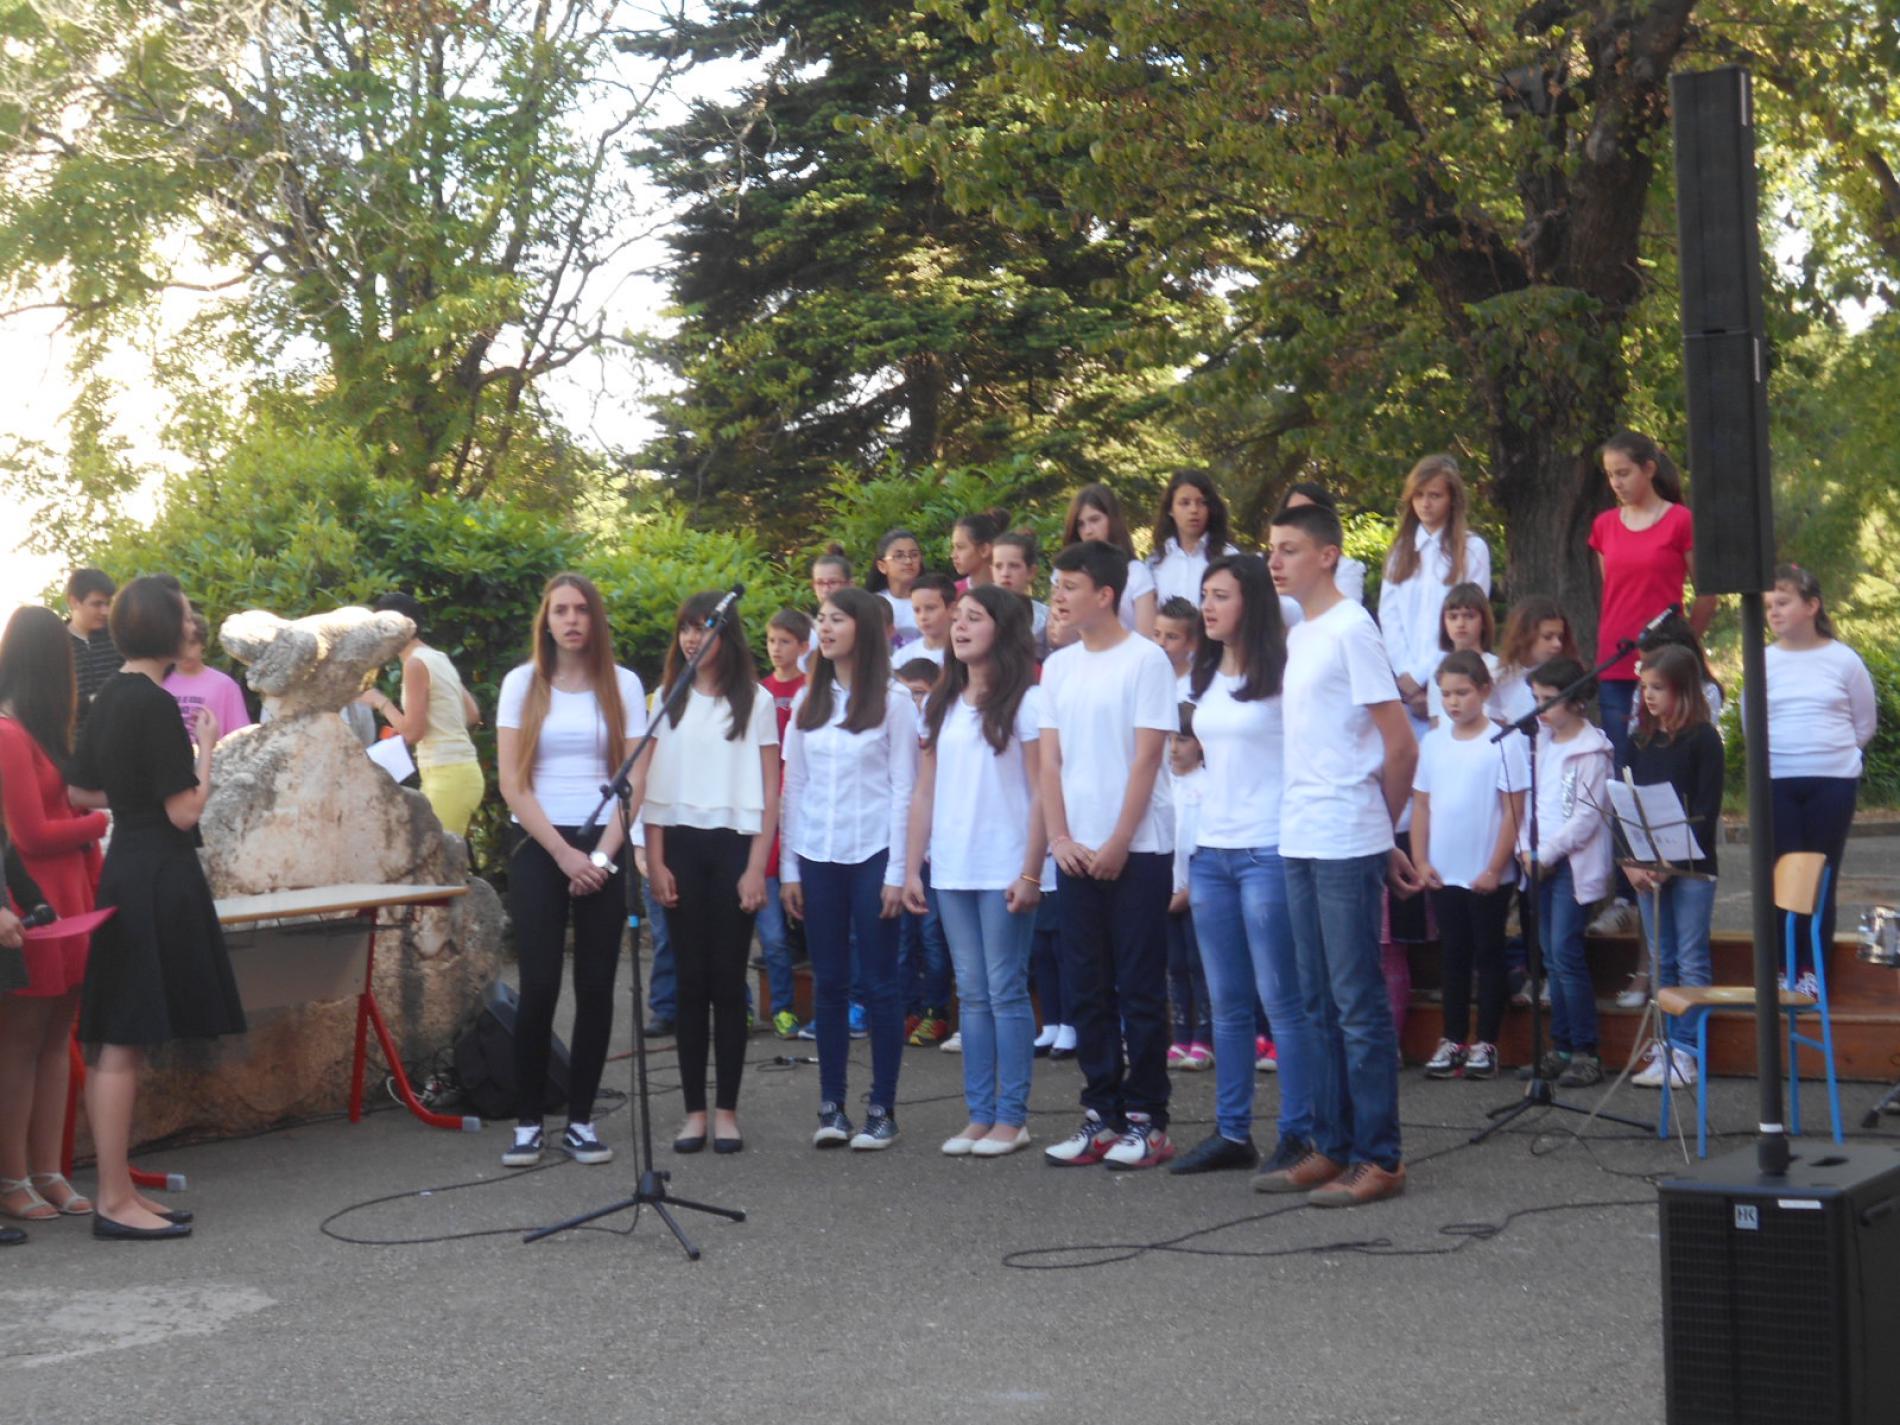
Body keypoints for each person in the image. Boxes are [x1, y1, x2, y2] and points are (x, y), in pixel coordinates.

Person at [69, 576, 247, 1239]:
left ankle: (118, 1194)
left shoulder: (111, 695)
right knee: (123, 1041)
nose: (191, 623)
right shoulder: (155, 702)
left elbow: (81, 789)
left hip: (126, 867)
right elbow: (186, 811)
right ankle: (114, 1201)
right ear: (164, 628)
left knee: (121, 1040)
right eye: (184, 615)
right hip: (157, 872)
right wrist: (207, 748)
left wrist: (133, 798)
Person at [1262, 502, 1421, 1207]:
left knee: (1357, 1003)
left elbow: (1401, 744)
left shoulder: (1354, 628)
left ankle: (1380, 1156)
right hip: (1299, 830)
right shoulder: (1302, 633)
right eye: (1272, 549)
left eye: (1290, 549)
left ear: (1328, 555)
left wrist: (1378, 831)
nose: (1276, 561)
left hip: (1345, 834)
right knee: (1316, 1001)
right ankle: (1331, 1144)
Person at [1171, 553, 1316, 1179]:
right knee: (1226, 1003)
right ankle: (1232, 1132)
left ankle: (1300, 1132)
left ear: (1251, 602)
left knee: (1281, 1000)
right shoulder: (1202, 675)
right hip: (1212, 850)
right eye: (1205, 594)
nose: (1207, 606)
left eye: (1221, 595)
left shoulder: (1286, 672)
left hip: (1268, 848)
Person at [494, 574, 642, 1169]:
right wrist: (562, 854)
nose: (572, 620)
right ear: (547, 620)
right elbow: (512, 782)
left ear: (595, 618)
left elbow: (637, 779)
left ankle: (581, 1120)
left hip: (603, 843)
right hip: (540, 844)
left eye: (582, 609)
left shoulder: (623, 684)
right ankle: (529, 1121)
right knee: (539, 985)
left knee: (597, 987)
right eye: (561, 610)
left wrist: (601, 857)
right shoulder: (521, 683)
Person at [1038, 540, 1178, 1170]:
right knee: (1086, 987)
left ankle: (1148, 1119)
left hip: (1137, 849)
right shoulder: (1059, 667)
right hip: (1075, 850)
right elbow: (1050, 761)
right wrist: (1060, 838)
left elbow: (1147, 758)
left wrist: (1120, 839)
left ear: (1105, 594)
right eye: (1056, 586)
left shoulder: (1146, 660)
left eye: (1070, 586)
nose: (1058, 597)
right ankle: (1102, 1114)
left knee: (1140, 986)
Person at [907, 585, 1048, 1157]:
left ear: (1003, 629)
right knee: (970, 993)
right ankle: (979, 1115)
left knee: (1005, 989)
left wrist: (1032, 872)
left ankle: (1012, 1118)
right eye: (958, 618)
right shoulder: (939, 702)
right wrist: (912, 868)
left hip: (1006, 865)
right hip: (953, 866)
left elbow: (1042, 792)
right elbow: (924, 791)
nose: (960, 627)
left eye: (975, 618)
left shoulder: (1027, 703)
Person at [641, 592, 781, 1154]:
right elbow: (650, 789)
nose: (693, 638)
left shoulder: (757, 701)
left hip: (733, 848)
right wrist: (654, 861)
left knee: (727, 983)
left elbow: (770, 790)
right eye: (686, 628)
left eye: (705, 627)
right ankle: (693, 1112)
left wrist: (756, 867)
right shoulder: (664, 699)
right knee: (689, 984)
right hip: (678, 846)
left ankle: (727, 1110)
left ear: (728, 634)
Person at [781, 588, 918, 1151]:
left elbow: (905, 788)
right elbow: (795, 787)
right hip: (817, 854)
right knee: (830, 982)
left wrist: (899, 872)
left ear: (863, 627)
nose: (825, 627)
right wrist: (789, 868)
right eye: (822, 618)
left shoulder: (895, 700)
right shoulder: (807, 701)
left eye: (837, 618)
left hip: (874, 852)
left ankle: (882, 1107)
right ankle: (831, 1106)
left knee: (881, 983)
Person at [0, 607, 107, 1222]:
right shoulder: (10, 734)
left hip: (71, 901)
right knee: (20, 1044)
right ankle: (13, 1176)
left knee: (54, 1040)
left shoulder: (41, 734)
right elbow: (31, 835)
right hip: (33, 906)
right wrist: (98, 822)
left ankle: (49, 1172)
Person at [1588, 431, 1717, 935]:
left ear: (1648, 468)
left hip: (1666, 668)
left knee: (1667, 771)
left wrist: (1682, 648)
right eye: (1610, 475)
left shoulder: (1680, 520)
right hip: (1617, 666)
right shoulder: (1604, 526)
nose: (1616, 483)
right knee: (1624, 774)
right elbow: (1614, 590)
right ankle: (1627, 890)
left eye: (1623, 472)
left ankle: (1674, 874)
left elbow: (1706, 592)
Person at [1760, 564, 1877, 995]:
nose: (1773, 612)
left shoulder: (1843, 659)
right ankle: (1783, 967)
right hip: (1777, 780)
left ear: (1812, 606)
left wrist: (1833, 755)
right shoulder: (1763, 659)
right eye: (1768, 605)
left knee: (1820, 875)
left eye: (1783, 602)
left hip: (1832, 781)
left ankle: (1813, 970)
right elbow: (1753, 722)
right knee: (1783, 875)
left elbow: (1864, 723)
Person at [1413, 652, 1530, 1081]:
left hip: (1486, 873)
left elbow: (1513, 809)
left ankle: (1487, 1042)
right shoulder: (1433, 742)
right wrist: (1421, 859)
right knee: (1454, 955)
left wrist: (1495, 867)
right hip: (1444, 871)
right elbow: (1422, 804)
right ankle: (1453, 1038)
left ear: (1484, 690)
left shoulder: (1504, 741)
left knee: (1489, 953)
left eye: (1462, 693)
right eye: (1445, 694)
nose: (1453, 702)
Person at [1619, 644, 1724, 1091]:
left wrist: (1669, 863)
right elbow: (1624, 805)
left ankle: (1688, 1051)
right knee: (1662, 959)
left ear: (1683, 690)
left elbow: (1705, 810)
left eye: (1658, 687)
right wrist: (1630, 863)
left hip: (1692, 869)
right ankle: (1664, 1045)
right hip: (1646, 869)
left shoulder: (1703, 739)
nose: (1648, 696)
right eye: (1644, 687)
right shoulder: (1638, 741)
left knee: (1691, 958)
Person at [1515, 657, 1615, 1087]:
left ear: (1575, 701)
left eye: (1548, 699)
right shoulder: (1540, 742)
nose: (1539, 708)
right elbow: (1530, 803)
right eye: (1535, 698)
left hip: (1570, 864)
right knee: (1549, 956)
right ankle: (1560, 1046)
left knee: (1566, 953)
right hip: (1538, 861)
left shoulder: (1591, 751)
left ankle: (1586, 1051)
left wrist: (1547, 854)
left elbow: (1586, 817)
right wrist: (1524, 847)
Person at [1377, 454, 1491, 733]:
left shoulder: (1471, 549)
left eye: (1435, 495)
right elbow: (1389, 617)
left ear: (1452, 499)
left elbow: (1470, 620)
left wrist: (1425, 677)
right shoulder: (1399, 552)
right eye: (1418, 495)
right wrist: (1406, 676)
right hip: (1405, 687)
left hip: (1454, 683)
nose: (1425, 504)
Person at [354, 593, 482, 838]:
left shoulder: (415, 664)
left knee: (435, 856)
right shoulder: (437, 657)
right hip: (459, 772)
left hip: (447, 774)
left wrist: (380, 701)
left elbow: (413, 733)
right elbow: (472, 713)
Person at [891, 658, 954, 1046]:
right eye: (907, 693)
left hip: (933, 854)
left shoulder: (941, 733)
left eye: (918, 693)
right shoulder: (895, 730)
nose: (913, 701)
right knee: (902, 939)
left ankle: (936, 1011)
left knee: (932, 937)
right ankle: (908, 1009)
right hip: (901, 853)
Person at [757, 610, 811, 1037]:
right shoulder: (759, 693)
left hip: (801, 811)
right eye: (772, 640)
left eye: (786, 641)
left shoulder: (812, 691)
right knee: (769, 934)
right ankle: (771, 1007)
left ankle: (796, 1007)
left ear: (804, 646)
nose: (776, 649)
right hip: (762, 814)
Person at [1164, 706, 1212, 1073]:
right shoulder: (1161, 784)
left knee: (1200, 965)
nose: (1174, 748)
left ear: (1200, 744)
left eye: (1182, 740)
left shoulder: (1208, 785)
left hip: (1198, 893)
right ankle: (1180, 1035)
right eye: (1169, 739)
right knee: (1175, 966)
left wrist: (1189, 891)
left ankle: (1204, 1038)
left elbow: (1206, 842)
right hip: (1163, 893)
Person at [1057, 484, 1156, 638]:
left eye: (1095, 520)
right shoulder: (1065, 573)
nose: (1088, 531)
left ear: (1112, 520)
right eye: (1081, 524)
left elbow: (1146, 637)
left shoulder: (1136, 573)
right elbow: (1057, 633)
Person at [1149, 469, 1240, 607]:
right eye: (1185, 503)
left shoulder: (1229, 557)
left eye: (1201, 502)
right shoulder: (1156, 561)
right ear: (1170, 510)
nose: (1194, 510)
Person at [163, 609, 254, 741]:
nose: (186, 652)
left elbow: (241, 737)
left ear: (203, 644)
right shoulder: (159, 683)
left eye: (192, 643)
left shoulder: (225, 685)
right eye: (179, 644)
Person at [1424, 582, 1501, 729]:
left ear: (1484, 621)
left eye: (1469, 616)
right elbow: (1435, 721)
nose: (1460, 624)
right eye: (1453, 617)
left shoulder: (1498, 667)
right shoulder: (1438, 669)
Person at [1492, 597, 1579, 725]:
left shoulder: (1564, 678)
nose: (1557, 644)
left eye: (1560, 637)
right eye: (1548, 637)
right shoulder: (1499, 677)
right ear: (1523, 635)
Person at [1280, 482, 1366, 605]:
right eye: (1292, 514)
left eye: (1307, 514)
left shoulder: (1346, 569)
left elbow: (1343, 611)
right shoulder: (1269, 565)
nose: (1298, 521)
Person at [65, 568, 119, 727]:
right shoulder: (57, 644)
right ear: (74, 602)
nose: (105, 611)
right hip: (75, 738)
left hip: (119, 734)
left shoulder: (117, 638)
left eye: (107, 604)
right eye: (97, 604)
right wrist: (92, 701)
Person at [989, 530, 1052, 659]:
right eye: (998, 566)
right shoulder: (978, 611)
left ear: (1031, 572)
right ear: (991, 570)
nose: (1005, 573)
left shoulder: (1044, 618)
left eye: (1014, 566)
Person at [868, 529, 925, 653]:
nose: (908, 561)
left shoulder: (931, 600)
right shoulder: (872, 604)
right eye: (899, 556)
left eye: (914, 555)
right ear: (882, 566)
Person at [1153, 597, 1201, 700]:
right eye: (1156, 634)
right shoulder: (1144, 677)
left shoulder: (1198, 685)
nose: (1161, 643)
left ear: (1192, 643)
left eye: (1171, 637)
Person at [951, 508, 1007, 591]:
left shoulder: (1009, 592)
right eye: (953, 547)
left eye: (960, 547)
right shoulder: (952, 592)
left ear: (984, 550)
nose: (953, 555)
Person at [908, 572, 956, 667]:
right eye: (917, 610)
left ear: (952, 609)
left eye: (930, 608)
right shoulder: (902, 657)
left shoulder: (967, 656)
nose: (922, 617)